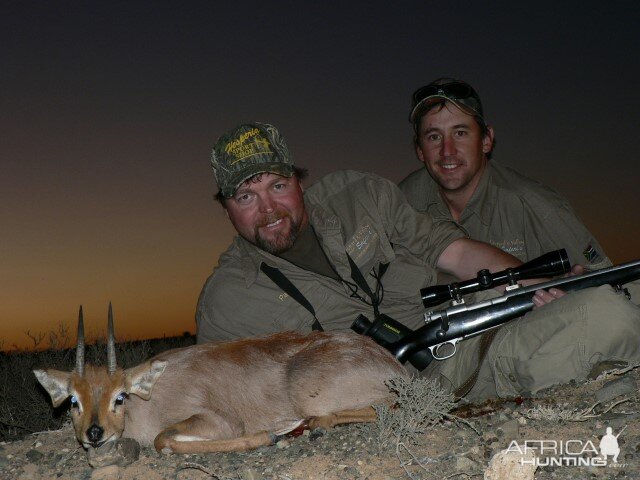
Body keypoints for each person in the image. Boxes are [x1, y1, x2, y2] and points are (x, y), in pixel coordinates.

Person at [196, 121, 640, 401]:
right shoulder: (228, 300)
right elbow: (215, 394)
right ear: (226, 208)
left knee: (620, 289)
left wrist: (535, 284)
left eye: (277, 185)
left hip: (465, 336)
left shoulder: (359, 196)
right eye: (246, 197)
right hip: (405, 395)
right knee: (608, 315)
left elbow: (456, 252)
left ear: (298, 180)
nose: (268, 210)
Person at [398, 77, 640, 301]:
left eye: (460, 133)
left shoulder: (538, 206)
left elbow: (613, 284)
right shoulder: (400, 202)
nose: (447, 150)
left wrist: (573, 295)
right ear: (419, 150)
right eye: (433, 137)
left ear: (486, 140)